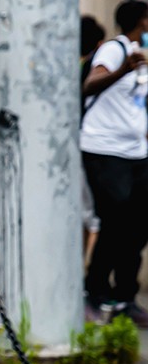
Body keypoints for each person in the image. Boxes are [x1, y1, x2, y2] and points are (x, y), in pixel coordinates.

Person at [80, 0, 148, 327]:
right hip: (104, 149)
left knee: (137, 225)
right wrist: (124, 69)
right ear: (141, 20)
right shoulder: (114, 50)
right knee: (114, 218)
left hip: (136, 152)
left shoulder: (140, 53)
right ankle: (93, 291)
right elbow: (90, 84)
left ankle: (125, 297)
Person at [79, 15, 106, 267]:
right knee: (93, 219)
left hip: (77, 147)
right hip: (90, 149)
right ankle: (86, 277)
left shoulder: (74, 68)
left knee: (84, 217)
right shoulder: (90, 70)